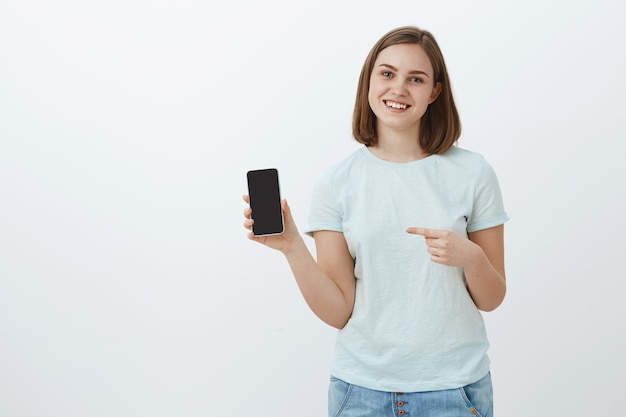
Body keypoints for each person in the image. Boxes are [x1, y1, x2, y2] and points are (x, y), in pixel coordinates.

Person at [243, 25, 508, 417]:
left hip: (454, 390)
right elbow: (338, 311)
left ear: (434, 92)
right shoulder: (336, 183)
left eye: (415, 79)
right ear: (369, 82)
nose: (398, 88)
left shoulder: (473, 173)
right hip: (361, 392)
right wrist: (292, 247)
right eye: (386, 73)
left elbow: (493, 298)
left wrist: (470, 257)